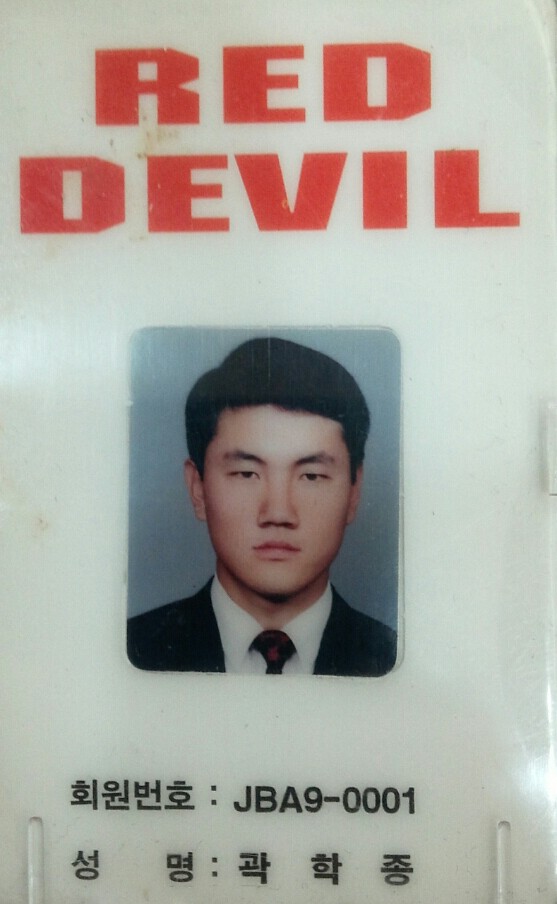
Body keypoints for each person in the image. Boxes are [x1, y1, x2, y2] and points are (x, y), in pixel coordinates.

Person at [127, 337, 396, 676]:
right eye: (247, 473)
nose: (278, 514)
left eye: (311, 476)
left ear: (354, 492)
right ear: (198, 489)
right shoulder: (134, 653)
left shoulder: (392, 661)